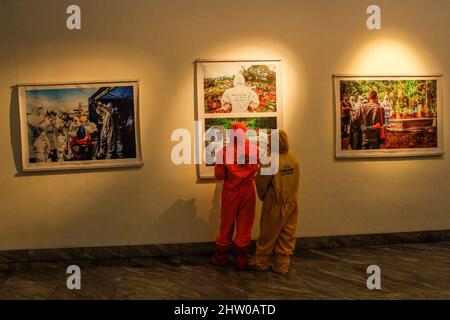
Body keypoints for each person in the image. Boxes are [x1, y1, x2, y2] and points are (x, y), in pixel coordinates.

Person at [249, 130, 300, 274]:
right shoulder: (293, 158)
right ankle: (283, 264)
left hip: (274, 204)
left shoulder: (270, 160)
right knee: (287, 235)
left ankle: (260, 261)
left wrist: (264, 196)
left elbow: (261, 183)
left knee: (267, 234)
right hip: (291, 203)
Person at [212, 122, 259, 270]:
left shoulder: (223, 152)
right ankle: (241, 258)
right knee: (245, 223)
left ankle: (221, 256)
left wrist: (231, 174)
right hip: (248, 189)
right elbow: (256, 169)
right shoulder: (254, 150)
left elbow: (219, 175)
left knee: (226, 223)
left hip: (230, 190)